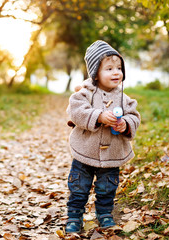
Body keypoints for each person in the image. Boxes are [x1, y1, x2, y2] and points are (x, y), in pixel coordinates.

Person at [65, 40, 141, 233]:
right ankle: (74, 216)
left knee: (107, 186)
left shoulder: (124, 98)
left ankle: (105, 214)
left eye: (118, 68)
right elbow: (76, 111)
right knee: (79, 186)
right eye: (109, 68)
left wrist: (126, 124)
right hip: (85, 150)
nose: (116, 72)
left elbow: (134, 116)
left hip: (112, 153)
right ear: (95, 74)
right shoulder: (85, 94)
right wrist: (98, 116)